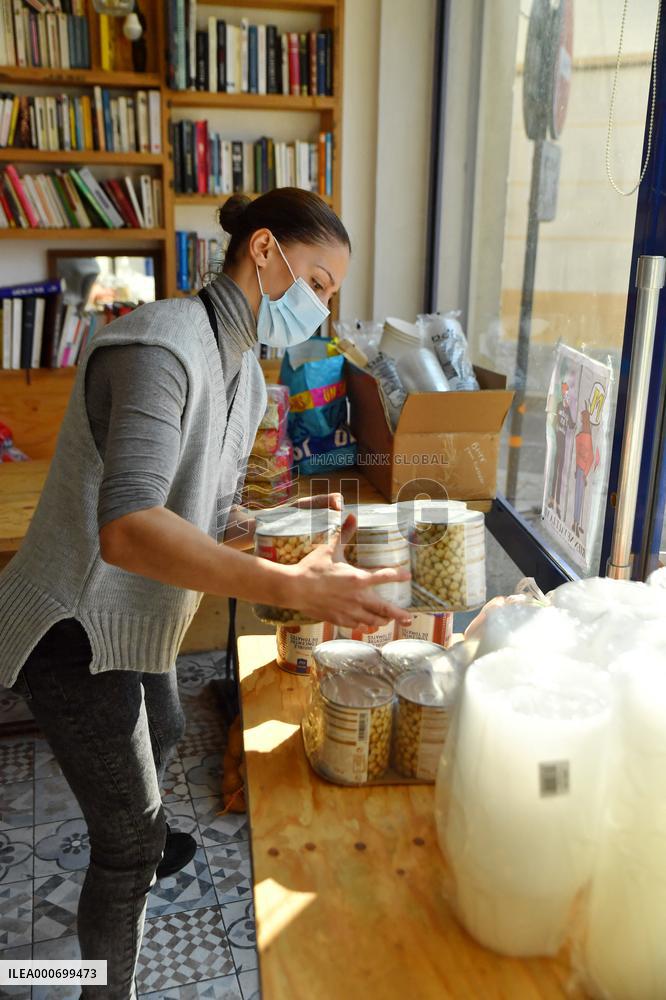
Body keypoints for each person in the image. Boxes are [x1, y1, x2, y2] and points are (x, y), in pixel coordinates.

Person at [0, 188, 412, 1000]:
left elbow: (214, 516)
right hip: (74, 631)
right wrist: (289, 584)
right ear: (263, 251)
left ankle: (143, 835)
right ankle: (82, 970)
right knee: (127, 850)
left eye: (330, 293)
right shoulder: (162, 345)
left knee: (167, 724)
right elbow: (130, 527)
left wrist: (289, 524)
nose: (322, 308)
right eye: (317, 283)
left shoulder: (245, 374)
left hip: (134, 619)